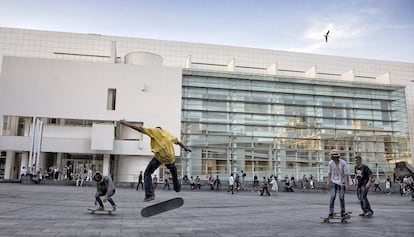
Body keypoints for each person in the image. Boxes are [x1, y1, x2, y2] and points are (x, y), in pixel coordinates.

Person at [119, 120, 192, 202]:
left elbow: (139, 129)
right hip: (171, 158)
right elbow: (178, 142)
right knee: (174, 172)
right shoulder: (167, 133)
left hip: (160, 157)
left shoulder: (154, 131)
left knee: (147, 173)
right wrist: (185, 148)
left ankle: (149, 195)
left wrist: (125, 123)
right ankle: (177, 188)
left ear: (157, 129)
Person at [327, 149, 350, 218]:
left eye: (333, 156)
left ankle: (342, 211)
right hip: (334, 181)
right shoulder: (330, 163)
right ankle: (331, 211)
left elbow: (346, 174)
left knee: (341, 197)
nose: (332, 158)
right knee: (332, 196)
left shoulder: (343, 163)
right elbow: (329, 172)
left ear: (336, 157)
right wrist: (328, 181)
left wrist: (347, 184)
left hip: (342, 182)